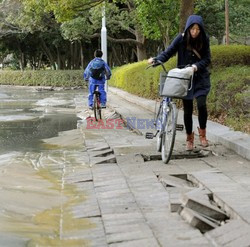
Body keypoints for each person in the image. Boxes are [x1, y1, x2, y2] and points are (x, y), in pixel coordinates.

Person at [148, 15, 211, 151]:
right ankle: (189, 138)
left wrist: (196, 66)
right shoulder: (181, 39)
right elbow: (169, 52)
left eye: (197, 29)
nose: (195, 32)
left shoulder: (204, 39)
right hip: (184, 78)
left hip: (200, 77)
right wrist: (156, 60)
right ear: (188, 28)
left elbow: (207, 58)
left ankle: (203, 134)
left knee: (201, 105)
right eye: (192, 29)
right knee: (187, 109)